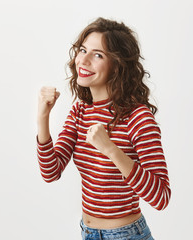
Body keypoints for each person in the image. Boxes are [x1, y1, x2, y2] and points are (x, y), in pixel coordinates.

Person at [36, 17, 170, 240]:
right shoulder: (80, 111)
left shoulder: (138, 118)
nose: (83, 60)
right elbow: (51, 172)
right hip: (88, 232)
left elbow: (161, 197)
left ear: (117, 65)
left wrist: (111, 149)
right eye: (82, 50)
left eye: (98, 55)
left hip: (126, 235)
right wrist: (43, 117)